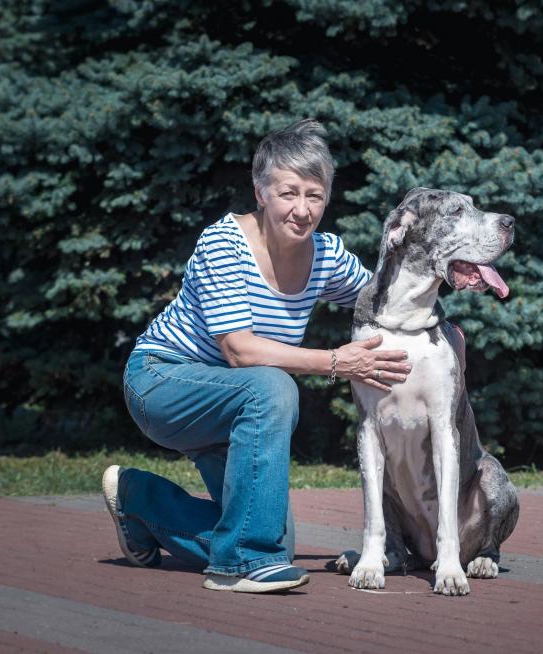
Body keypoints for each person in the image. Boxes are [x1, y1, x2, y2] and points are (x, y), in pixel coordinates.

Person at [102, 119, 413, 593]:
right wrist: (337, 361)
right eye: (289, 193)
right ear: (260, 192)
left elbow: (386, 297)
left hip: (235, 405)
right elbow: (239, 350)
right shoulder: (223, 243)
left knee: (276, 541)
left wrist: (445, 327)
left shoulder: (326, 255)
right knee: (272, 386)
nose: (303, 210)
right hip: (162, 382)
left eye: (315, 195)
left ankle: (140, 500)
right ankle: (239, 565)